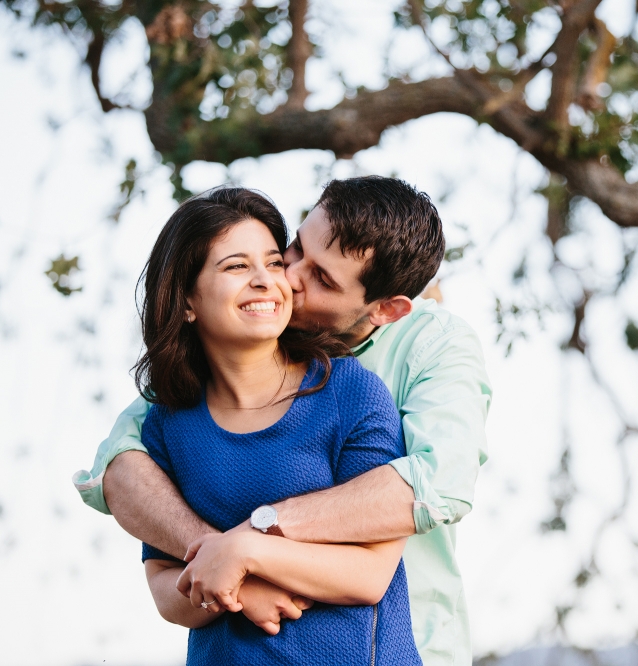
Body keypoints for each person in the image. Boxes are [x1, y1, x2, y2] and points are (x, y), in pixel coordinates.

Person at [73, 176, 492, 666]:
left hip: (406, 639)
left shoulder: (414, 357)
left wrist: (254, 539)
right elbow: (120, 466)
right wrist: (226, 570)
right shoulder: (186, 401)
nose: (287, 278)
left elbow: (434, 485)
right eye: (294, 250)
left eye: (323, 279)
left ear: (384, 310)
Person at [133, 186, 422, 664]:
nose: (269, 280)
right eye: (236, 266)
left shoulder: (353, 394)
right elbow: (165, 584)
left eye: (272, 261)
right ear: (186, 300)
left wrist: (246, 554)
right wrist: (240, 593)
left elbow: (370, 574)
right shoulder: (167, 423)